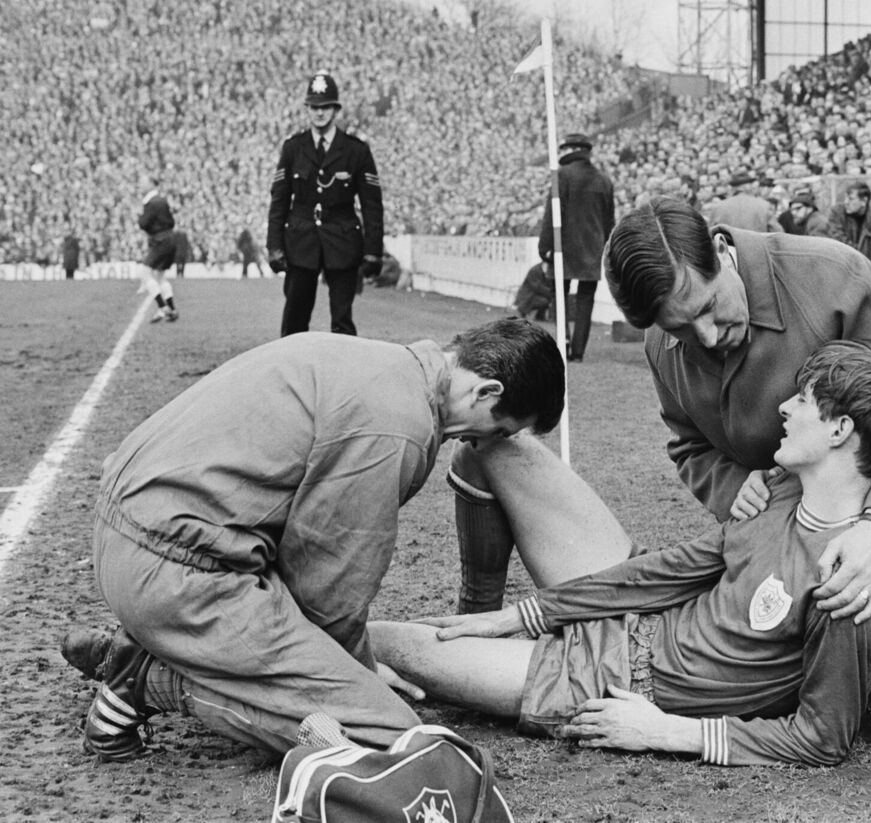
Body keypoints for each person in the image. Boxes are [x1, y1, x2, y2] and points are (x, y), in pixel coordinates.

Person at [369, 340, 871, 766]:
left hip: (617, 679)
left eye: (803, 400)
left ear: (841, 430)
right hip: (637, 617)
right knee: (498, 442)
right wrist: (518, 614)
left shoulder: (849, 589)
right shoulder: (781, 489)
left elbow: (823, 739)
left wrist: (667, 731)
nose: (785, 408)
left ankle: (289, 650)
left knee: (387, 641)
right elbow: (675, 570)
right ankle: (477, 607)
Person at [600, 197, 871, 757]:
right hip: (814, 480)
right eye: (683, 328)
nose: (709, 336)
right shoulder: (664, 344)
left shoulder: (832, 276)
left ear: (722, 251)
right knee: (860, 640)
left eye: (710, 306)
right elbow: (689, 445)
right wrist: (731, 482)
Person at [58, 318, 564, 761]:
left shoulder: (369, 359)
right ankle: (151, 678)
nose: (482, 444)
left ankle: (166, 649)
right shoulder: (397, 425)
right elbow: (327, 587)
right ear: (487, 393)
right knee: (394, 741)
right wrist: (355, 674)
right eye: (500, 430)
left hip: (130, 536)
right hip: (176, 577)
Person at [267, 71, 383, 337]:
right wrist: (274, 245)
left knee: (342, 322)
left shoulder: (356, 150)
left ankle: (343, 377)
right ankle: (293, 374)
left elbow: (372, 205)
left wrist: (373, 251)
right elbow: (279, 201)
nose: (320, 113)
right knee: (294, 319)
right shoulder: (293, 148)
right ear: (307, 109)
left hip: (342, 243)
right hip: (301, 243)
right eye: (314, 107)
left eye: (326, 107)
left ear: (335, 109)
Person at [538, 133, 615, 362]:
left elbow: (553, 214)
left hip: (565, 246)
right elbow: (609, 220)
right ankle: (578, 351)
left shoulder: (562, 175)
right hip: (592, 248)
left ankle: (565, 340)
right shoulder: (604, 180)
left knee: (559, 295)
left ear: (571, 150)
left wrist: (545, 247)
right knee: (585, 300)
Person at [826, 181, 871, 275]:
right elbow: (837, 240)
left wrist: (868, 276)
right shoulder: (837, 213)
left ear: (864, 201)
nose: (846, 202)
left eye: (851, 199)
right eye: (846, 198)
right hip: (839, 274)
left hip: (866, 279)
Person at [137, 177, 180, 324]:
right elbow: (172, 222)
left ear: (150, 184)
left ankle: (163, 307)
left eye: (142, 183)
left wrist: (139, 216)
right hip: (170, 238)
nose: (140, 185)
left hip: (160, 240)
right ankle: (172, 309)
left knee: (145, 273)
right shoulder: (162, 200)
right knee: (160, 276)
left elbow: (144, 223)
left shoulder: (151, 202)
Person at [707, 172, 783, 233]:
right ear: (747, 187)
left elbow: (709, 236)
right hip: (757, 250)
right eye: (751, 185)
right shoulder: (764, 206)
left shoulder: (718, 207)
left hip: (729, 251)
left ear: (733, 188)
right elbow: (778, 234)